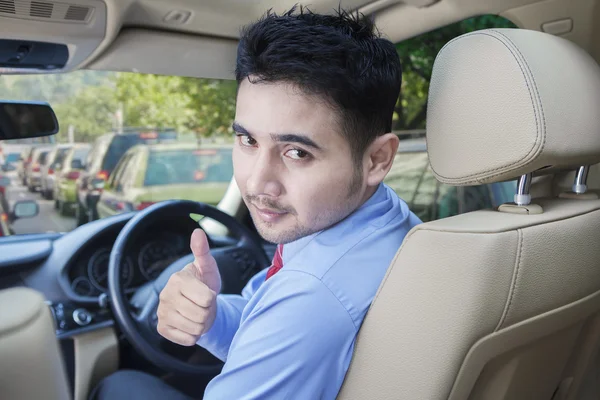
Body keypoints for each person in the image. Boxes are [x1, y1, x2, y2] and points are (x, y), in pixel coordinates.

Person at [91, 6, 421, 400]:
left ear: (377, 160)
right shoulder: (384, 217)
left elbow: (295, 315)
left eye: (297, 152)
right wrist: (211, 317)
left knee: (119, 385)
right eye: (248, 141)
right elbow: (265, 325)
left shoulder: (312, 294)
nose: (256, 181)